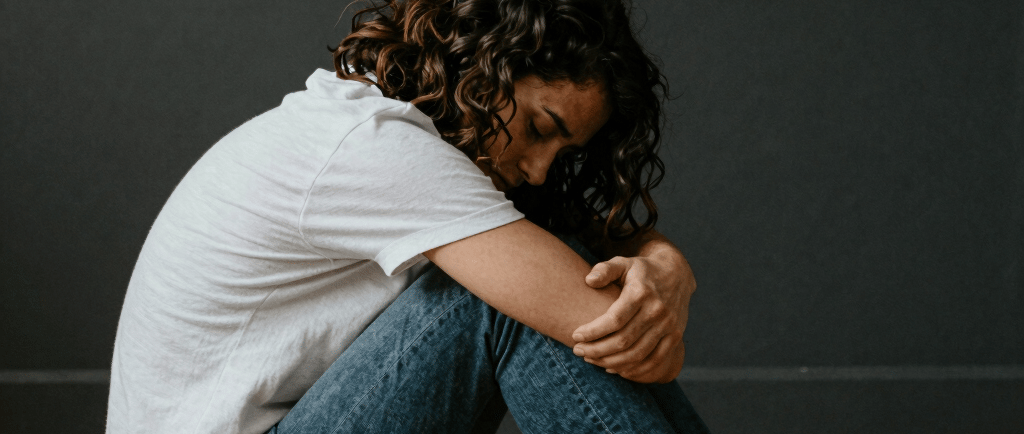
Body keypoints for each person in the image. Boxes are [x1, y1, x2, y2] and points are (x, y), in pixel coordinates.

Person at [107, 0, 710, 433]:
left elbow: (587, 247)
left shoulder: (386, 131)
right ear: (488, 62)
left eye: (565, 153)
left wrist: (666, 263)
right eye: (539, 128)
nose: (540, 169)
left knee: (535, 267)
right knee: (504, 301)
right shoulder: (379, 147)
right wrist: (659, 310)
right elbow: (626, 336)